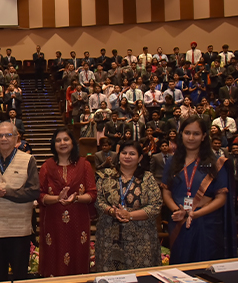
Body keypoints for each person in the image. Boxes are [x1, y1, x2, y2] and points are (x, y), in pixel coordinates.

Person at [162, 116, 237, 263]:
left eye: (196, 134)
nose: (191, 137)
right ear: (181, 134)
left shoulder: (215, 163)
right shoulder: (172, 161)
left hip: (207, 222)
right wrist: (178, 211)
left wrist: (195, 214)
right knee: (180, 268)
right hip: (179, 222)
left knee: (206, 269)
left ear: (203, 136)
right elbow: (166, 191)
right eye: (187, 133)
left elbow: (221, 198)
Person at [0, 122, 39, 282]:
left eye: (8, 135)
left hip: (18, 230)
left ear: (16, 138)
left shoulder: (28, 160)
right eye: (0, 135)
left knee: (19, 278)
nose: (4, 138)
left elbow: (34, 191)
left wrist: (6, 192)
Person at [95, 141, 163, 271]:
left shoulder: (147, 178)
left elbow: (156, 205)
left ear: (140, 158)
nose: (127, 156)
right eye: (124, 153)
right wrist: (112, 212)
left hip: (141, 239)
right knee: (111, 278)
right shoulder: (106, 176)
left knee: (140, 281)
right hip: (109, 237)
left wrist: (130, 215)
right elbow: (98, 201)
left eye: (132, 154)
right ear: (118, 156)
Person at [38, 127, 96, 277]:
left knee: (77, 256)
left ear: (72, 142)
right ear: (53, 144)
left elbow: (92, 193)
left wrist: (75, 198)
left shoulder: (85, 165)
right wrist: (58, 198)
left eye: (66, 139)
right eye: (58, 140)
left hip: (78, 220)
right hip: (53, 220)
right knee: (54, 255)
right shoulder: (47, 166)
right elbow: (40, 195)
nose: (62, 143)